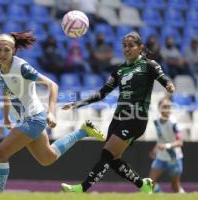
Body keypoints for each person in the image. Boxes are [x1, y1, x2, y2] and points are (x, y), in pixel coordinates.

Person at [60, 32, 176, 194]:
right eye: (125, 46)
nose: (127, 49)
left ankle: (82, 188)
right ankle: (143, 185)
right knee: (113, 160)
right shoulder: (120, 70)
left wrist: (169, 86)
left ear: (140, 47)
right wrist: (79, 103)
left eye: (131, 45)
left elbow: (164, 79)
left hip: (136, 118)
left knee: (107, 152)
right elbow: (102, 93)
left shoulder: (149, 65)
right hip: (118, 117)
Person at [0, 31, 105, 192]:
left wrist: (51, 113)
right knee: (47, 158)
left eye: (6, 50)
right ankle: (82, 132)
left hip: (34, 118)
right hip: (23, 119)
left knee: (1, 153)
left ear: (14, 51)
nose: (2, 53)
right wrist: (6, 118)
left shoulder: (22, 67)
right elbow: (5, 92)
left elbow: (53, 85)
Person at [149, 96, 185, 193]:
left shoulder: (173, 123)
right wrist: (155, 148)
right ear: (159, 108)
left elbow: (180, 142)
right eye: (164, 106)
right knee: (150, 183)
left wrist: (166, 146)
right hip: (161, 157)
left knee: (175, 187)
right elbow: (161, 138)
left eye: (169, 106)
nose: (167, 109)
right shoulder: (156, 121)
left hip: (174, 158)